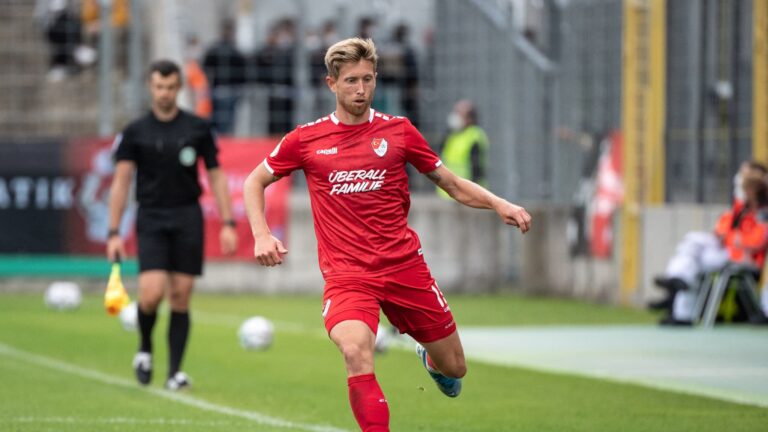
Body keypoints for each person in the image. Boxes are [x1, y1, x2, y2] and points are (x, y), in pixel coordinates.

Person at [243, 38, 531, 431]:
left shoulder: (399, 132)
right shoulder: (306, 139)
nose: (360, 89)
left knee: (455, 367)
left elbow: (450, 183)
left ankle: (430, 359)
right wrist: (261, 234)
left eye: (367, 79)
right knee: (355, 351)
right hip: (348, 276)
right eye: (351, 81)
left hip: (404, 268)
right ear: (331, 83)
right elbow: (254, 181)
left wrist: (499, 204)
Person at [107, 59, 238, 390]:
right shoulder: (135, 131)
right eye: (158, 87)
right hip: (151, 216)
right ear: (150, 88)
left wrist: (228, 222)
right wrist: (113, 231)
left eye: (169, 87)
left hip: (187, 215)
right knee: (151, 294)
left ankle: (174, 373)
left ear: (178, 88)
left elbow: (217, 175)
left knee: (181, 295)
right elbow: (121, 182)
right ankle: (145, 349)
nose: (164, 93)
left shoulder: (197, 128)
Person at [654, 162, 768, 324]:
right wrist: (730, 237)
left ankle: (676, 281)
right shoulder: (740, 208)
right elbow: (721, 229)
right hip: (727, 253)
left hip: (744, 259)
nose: (740, 182)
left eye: (745, 178)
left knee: (694, 245)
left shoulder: (762, 212)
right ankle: (680, 303)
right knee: (691, 256)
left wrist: (733, 238)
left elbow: (756, 241)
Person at [202, 19, 247, 134]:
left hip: (219, 89)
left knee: (218, 120)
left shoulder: (214, 49)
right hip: (228, 90)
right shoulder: (235, 51)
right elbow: (244, 71)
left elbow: (205, 67)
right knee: (227, 122)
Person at [437, 100, 489, 198]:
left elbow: (476, 168)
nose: (455, 116)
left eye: (459, 113)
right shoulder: (451, 134)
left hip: (468, 194)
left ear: (470, 118)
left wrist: (472, 194)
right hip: (448, 192)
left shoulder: (475, 135)